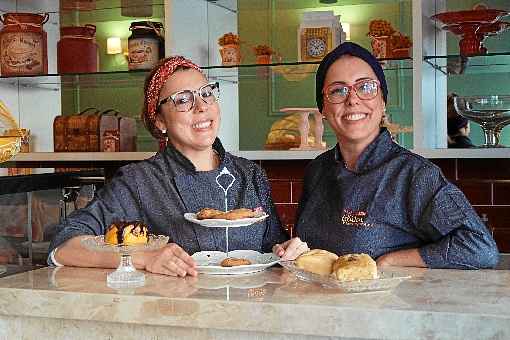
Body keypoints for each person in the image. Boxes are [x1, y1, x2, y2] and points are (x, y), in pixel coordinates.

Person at [48, 56, 308, 277]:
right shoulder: (139, 181)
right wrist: (142, 257)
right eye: (183, 100)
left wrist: (288, 251)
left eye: (206, 93)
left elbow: (272, 249)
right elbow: (64, 245)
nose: (201, 106)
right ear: (160, 120)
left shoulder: (250, 174)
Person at [294, 42, 499, 269]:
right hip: (315, 301)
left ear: (383, 101)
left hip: (387, 303)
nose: (352, 99)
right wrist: (292, 251)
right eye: (337, 90)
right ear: (323, 108)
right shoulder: (318, 170)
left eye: (366, 87)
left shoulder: (415, 175)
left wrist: (391, 260)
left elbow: (480, 248)